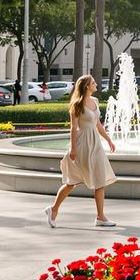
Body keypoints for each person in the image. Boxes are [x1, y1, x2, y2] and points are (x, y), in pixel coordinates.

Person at [45, 75, 117, 229]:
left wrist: (108, 140)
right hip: (82, 143)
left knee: (100, 179)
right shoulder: (76, 104)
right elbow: (73, 128)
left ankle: (100, 217)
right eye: (93, 82)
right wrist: (73, 148)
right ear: (86, 86)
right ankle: (53, 209)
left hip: (95, 144)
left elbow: (98, 124)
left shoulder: (95, 101)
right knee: (72, 181)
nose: (96, 84)